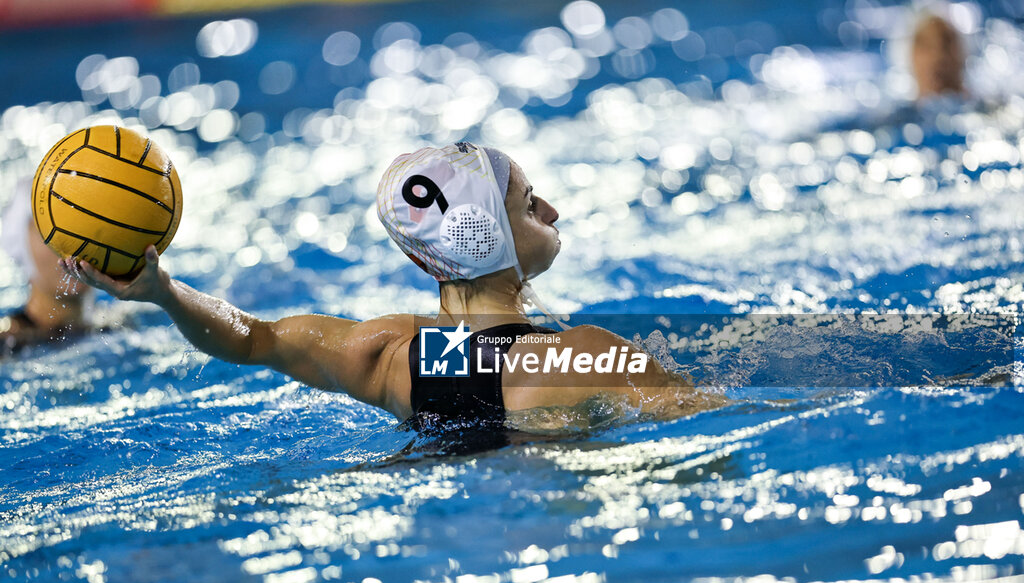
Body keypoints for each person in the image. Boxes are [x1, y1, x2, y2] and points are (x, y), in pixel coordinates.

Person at [62, 143, 725, 431]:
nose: (550, 212)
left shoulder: (383, 352)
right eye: (528, 205)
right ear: (485, 237)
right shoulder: (581, 354)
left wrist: (164, 292)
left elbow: (251, 338)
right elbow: (714, 428)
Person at [1, 178, 91, 354]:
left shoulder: (126, 323)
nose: (70, 247)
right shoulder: (6, 345)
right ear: (22, 246)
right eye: (50, 233)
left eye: (79, 227)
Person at [910, 13, 966, 101]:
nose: (937, 56)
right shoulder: (897, 113)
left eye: (945, 44)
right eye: (926, 45)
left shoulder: (986, 109)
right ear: (912, 56)